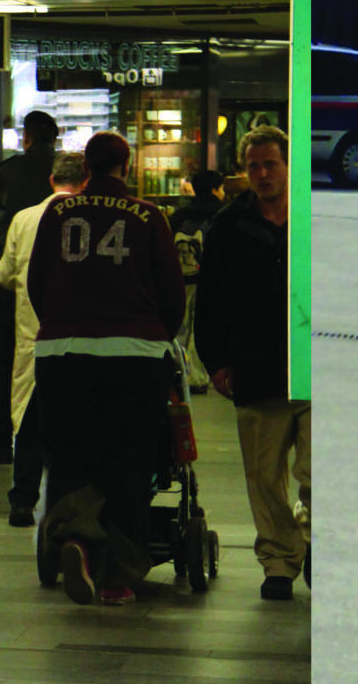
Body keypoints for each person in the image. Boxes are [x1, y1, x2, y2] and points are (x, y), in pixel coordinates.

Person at [33, 132, 185, 607]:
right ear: (126, 165)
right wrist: (156, 335)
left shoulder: (56, 214)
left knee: (71, 453)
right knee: (129, 461)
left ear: (86, 167)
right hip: (134, 353)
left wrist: (62, 323)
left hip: (64, 350)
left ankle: (77, 538)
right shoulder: (150, 216)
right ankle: (119, 576)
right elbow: (171, 293)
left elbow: (38, 281)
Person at [197, 125, 305, 601]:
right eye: (254, 166)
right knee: (265, 479)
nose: (262, 174)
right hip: (256, 369)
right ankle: (278, 561)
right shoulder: (228, 224)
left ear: (287, 165)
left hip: (313, 366)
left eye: (271, 164)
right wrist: (217, 360)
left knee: (319, 475)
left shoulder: (312, 215)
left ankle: (315, 543)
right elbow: (211, 297)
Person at [0, 151, 89, 526]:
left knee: (31, 422)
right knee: (75, 423)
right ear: (85, 183)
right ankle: (69, 502)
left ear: (52, 180)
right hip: (79, 338)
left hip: (32, 339)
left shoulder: (24, 218)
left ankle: (22, 500)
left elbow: (4, 274)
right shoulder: (89, 220)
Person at [0, 111, 61, 460]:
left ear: (26, 137)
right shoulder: (69, 172)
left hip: (14, 281)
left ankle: (3, 435)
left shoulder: (9, 170)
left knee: (9, 360)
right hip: (61, 283)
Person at [171, 169, 226, 394]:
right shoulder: (222, 214)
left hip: (180, 277)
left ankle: (177, 371)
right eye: (222, 188)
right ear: (214, 190)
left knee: (180, 326)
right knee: (201, 326)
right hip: (208, 279)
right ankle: (197, 376)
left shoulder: (180, 214)